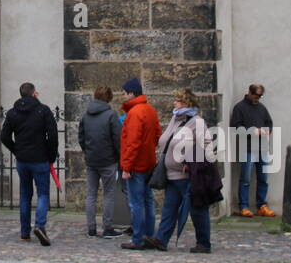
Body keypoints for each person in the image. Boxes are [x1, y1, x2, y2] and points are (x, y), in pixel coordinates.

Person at [148, 88, 216, 253]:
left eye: (177, 101)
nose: (174, 103)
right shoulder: (175, 119)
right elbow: (166, 140)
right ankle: (161, 239)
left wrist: (191, 162)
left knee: (197, 209)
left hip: (187, 175)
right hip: (171, 174)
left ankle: (203, 243)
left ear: (186, 103)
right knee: (169, 208)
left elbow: (207, 146)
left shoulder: (197, 122)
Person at [0, 81, 58, 246]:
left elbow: (4, 137)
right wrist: (51, 156)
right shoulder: (43, 111)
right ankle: (40, 225)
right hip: (40, 159)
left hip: (23, 160)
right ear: (34, 93)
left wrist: (16, 150)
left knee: (25, 195)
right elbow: (53, 136)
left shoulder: (12, 113)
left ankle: (25, 232)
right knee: (43, 194)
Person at [117, 78, 162, 250]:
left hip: (137, 164)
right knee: (148, 200)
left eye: (124, 92)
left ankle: (138, 238)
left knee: (136, 203)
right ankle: (149, 235)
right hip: (149, 161)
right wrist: (149, 148)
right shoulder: (149, 110)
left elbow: (132, 142)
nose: (123, 96)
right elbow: (158, 134)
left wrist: (126, 166)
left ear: (131, 93)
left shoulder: (135, 113)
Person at [78, 85, 122, 238]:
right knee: (108, 194)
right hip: (108, 160)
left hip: (92, 160)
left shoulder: (86, 115)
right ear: (108, 97)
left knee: (91, 194)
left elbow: (81, 138)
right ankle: (107, 228)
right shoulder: (111, 115)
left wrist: (88, 152)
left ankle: (91, 228)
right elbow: (118, 139)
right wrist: (118, 156)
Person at [230, 82, 275, 217]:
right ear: (249, 93)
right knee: (245, 179)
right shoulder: (239, 108)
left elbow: (269, 123)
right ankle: (243, 206)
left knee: (263, 178)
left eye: (260, 97)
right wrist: (251, 131)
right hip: (247, 148)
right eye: (256, 96)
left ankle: (261, 205)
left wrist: (266, 131)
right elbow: (235, 127)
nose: (258, 99)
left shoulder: (262, 108)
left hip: (262, 147)